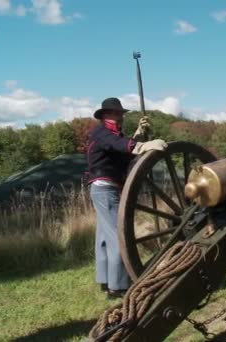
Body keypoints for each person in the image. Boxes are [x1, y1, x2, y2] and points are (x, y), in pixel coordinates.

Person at [87, 97, 167, 298]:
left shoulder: (112, 134)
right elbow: (119, 144)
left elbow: (123, 153)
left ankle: (107, 281)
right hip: (104, 189)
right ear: (106, 115)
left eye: (121, 114)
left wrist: (139, 137)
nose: (120, 117)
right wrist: (143, 146)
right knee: (118, 236)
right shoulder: (101, 132)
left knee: (104, 238)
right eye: (117, 113)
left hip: (106, 188)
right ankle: (119, 286)